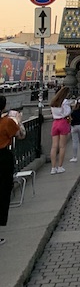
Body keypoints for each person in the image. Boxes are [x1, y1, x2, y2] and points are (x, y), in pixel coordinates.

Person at [0, 97, 26, 246]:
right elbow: (21, 135)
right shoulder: (7, 122)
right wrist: (18, 120)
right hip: (3, 159)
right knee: (2, 193)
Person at [49, 86, 72, 174]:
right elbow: (67, 112)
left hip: (55, 123)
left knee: (54, 146)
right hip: (63, 122)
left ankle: (53, 167)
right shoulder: (65, 102)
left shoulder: (53, 101)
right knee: (62, 146)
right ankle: (60, 166)